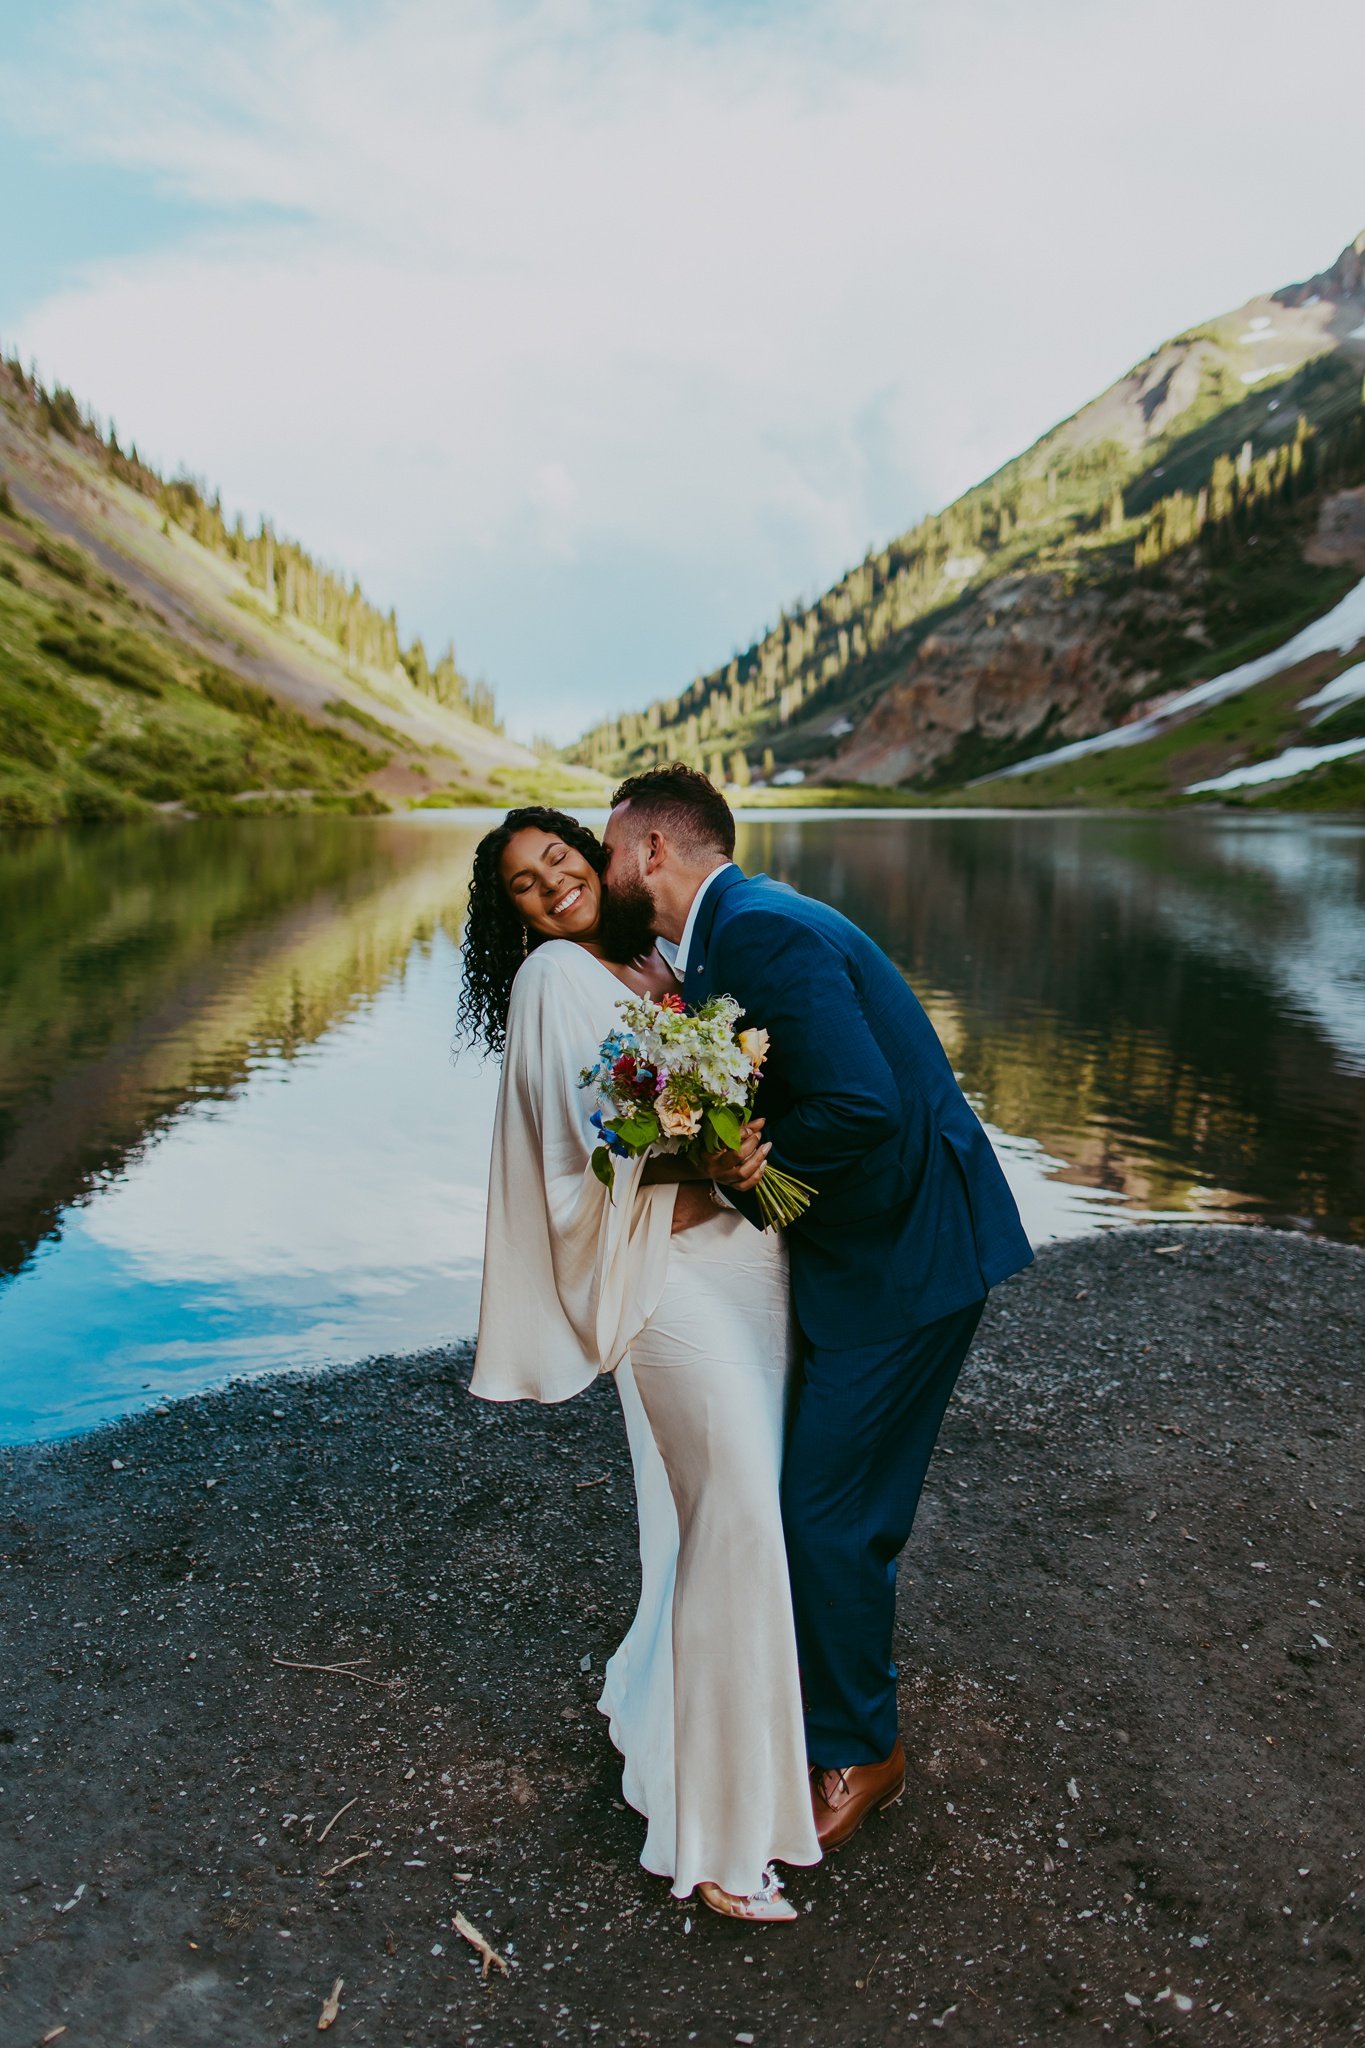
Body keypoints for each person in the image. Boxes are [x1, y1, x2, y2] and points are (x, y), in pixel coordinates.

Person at [600, 766, 1034, 1850]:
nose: (604, 871)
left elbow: (861, 1102)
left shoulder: (755, 936)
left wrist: (754, 1169)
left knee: (825, 1509)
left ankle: (860, 1748)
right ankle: (820, 1708)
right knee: (831, 1498)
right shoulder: (741, 928)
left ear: (654, 849)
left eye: (608, 849)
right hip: (890, 1247)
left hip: (905, 1259)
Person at [460, 805, 820, 1922]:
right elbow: (583, 1152)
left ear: (594, 850)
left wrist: (743, 1140)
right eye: (522, 883)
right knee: (741, 1516)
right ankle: (713, 1839)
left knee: (695, 1520)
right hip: (664, 1280)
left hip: (748, 1262)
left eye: (556, 855)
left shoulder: (657, 955)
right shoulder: (553, 983)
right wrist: (703, 1160)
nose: (549, 883)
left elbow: (707, 1093)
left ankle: (661, 1719)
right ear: (509, 912)